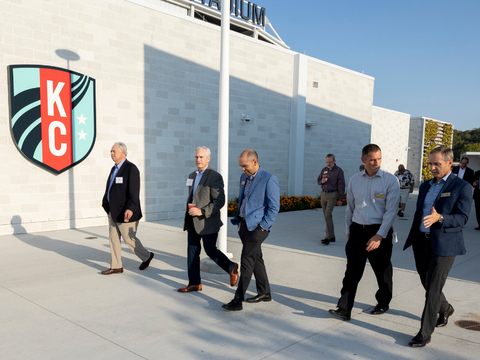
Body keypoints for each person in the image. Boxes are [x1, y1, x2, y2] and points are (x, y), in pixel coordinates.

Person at [404, 146, 472, 347]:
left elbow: (463, 218)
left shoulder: (462, 186)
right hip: (421, 242)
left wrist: (440, 218)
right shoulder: (425, 186)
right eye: (430, 164)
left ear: (450, 163)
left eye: (437, 164)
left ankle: (424, 333)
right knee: (427, 282)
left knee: (433, 289)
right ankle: (446, 308)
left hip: (444, 244)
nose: (432, 168)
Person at [329, 144, 399, 320]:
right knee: (352, 271)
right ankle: (344, 308)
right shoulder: (354, 180)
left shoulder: (390, 181)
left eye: (379, 159)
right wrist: (348, 231)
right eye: (372, 160)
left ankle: (383, 302)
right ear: (363, 160)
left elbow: (391, 212)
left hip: (379, 231)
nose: (376, 163)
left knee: (382, 271)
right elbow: (350, 208)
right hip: (357, 230)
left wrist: (380, 235)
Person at [222, 150, 280, 311]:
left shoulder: (269, 178)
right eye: (241, 166)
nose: (242, 169)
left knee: (246, 260)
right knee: (256, 258)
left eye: (245, 166)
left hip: (258, 228)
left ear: (255, 162)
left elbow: (274, 207)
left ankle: (238, 300)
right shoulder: (244, 177)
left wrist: (263, 226)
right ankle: (265, 292)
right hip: (244, 226)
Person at [178, 146, 239, 293]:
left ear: (208, 158)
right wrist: (188, 218)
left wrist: (203, 211)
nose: (198, 160)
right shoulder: (192, 175)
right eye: (196, 157)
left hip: (207, 221)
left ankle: (231, 267)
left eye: (201, 157)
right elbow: (191, 197)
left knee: (210, 250)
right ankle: (194, 283)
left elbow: (219, 201)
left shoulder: (214, 176)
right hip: (192, 220)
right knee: (192, 252)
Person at [101, 142, 154, 275]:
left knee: (129, 238)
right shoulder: (114, 169)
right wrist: (105, 203)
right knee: (113, 239)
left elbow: (134, 192)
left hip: (126, 212)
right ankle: (116, 266)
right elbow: (110, 188)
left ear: (123, 152)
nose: (111, 153)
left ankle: (147, 256)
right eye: (111, 151)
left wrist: (130, 208)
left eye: (114, 151)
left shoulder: (131, 169)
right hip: (113, 211)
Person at [317, 154, 345, 245]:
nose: (328, 164)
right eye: (327, 162)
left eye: (330, 162)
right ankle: (332, 236)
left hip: (332, 194)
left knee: (328, 214)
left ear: (334, 161)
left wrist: (340, 199)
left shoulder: (339, 171)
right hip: (323, 193)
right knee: (326, 215)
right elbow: (318, 180)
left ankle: (328, 237)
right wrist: (321, 181)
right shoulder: (324, 170)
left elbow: (341, 186)